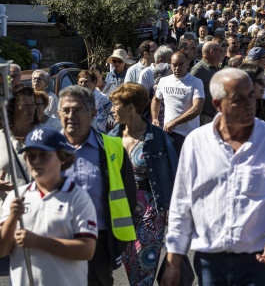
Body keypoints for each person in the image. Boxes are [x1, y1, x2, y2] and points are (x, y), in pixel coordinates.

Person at [161, 68, 265, 286]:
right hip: (211, 262)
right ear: (218, 104)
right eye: (239, 99)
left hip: (261, 261)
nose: (250, 104)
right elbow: (182, 204)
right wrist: (173, 260)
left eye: (251, 96)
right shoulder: (196, 142)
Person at [58, 85, 138, 285]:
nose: (70, 115)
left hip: (98, 245)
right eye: (65, 110)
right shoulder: (48, 150)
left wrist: (117, 244)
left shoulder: (112, 147)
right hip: (57, 242)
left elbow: (128, 195)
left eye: (77, 110)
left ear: (92, 114)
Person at [0, 127, 98, 286]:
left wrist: (38, 242)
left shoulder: (78, 197)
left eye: (44, 155)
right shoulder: (15, 198)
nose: (36, 161)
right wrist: (12, 217)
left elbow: (86, 250)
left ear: (62, 158)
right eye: (31, 156)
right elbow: (2, 250)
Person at [108, 83, 178, 285]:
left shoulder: (158, 137)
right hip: (120, 209)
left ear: (131, 108)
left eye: (116, 105)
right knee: (130, 266)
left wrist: (174, 215)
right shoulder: (111, 138)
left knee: (143, 271)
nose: (112, 110)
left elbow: (174, 175)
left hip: (150, 210)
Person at [151, 51, 204, 137]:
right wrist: (154, 119)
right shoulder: (164, 81)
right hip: (168, 132)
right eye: (174, 65)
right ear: (170, 64)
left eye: (181, 64)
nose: (177, 68)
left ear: (187, 64)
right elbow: (156, 99)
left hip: (188, 135)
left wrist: (174, 122)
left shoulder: (196, 82)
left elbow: (197, 109)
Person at [0, 85, 36, 201]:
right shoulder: (1, 138)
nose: (31, 110)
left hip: (39, 213)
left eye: (32, 104)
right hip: (8, 213)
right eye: (25, 105)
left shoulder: (43, 136)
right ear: (12, 108)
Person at [189, 41, 223, 125]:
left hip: (217, 115)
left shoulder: (217, 68)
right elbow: (189, 94)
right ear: (212, 52)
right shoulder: (198, 70)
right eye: (220, 51)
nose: (222, 53)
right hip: (204, 117)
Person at [78, 70, 113, 135]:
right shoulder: (76, 100)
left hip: (99, 139)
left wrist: (113, 129)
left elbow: (117, 116)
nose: (83, 85)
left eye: (86, 82)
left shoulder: (103, 99)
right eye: (81, 82)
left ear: (94, 83)